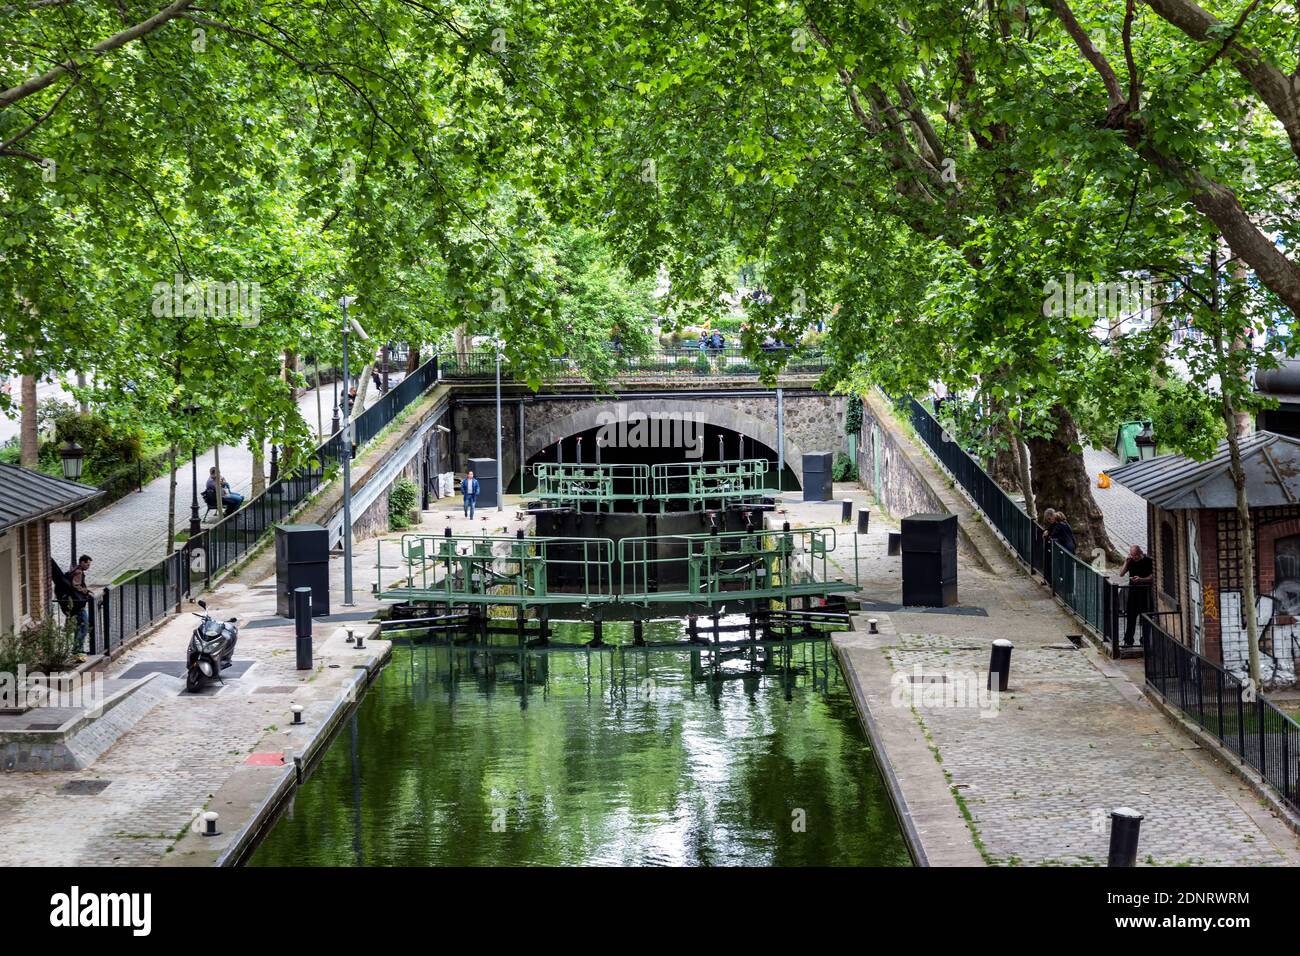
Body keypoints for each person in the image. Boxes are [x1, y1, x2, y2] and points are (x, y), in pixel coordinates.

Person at [1118, 544, 1154, 646]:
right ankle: (1128, 640)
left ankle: (1145, 640)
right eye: (1132, 555)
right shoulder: (1130, 561)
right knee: (1130, 619)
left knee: (1146, 619)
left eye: (1136, 556)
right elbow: (1121, 573)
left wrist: (1141, 579)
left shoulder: (1148, 561)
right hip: (1133, 593)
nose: (1134, 558)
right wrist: (1126, 561)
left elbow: (1152, 577)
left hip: (1145, 594)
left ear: (1140, 553)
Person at [67, 554, 92, 649]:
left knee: (79, 626)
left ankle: (76, 648)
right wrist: (85, 591)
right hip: (78, 603)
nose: (88, 567)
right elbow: (76, 585)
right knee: (84, 626)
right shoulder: (78, 572)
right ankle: (78, 649)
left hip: (74, 602)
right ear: (82, 562)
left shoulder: (75, 570)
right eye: (87, 564)